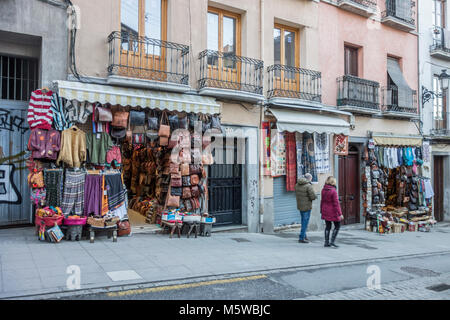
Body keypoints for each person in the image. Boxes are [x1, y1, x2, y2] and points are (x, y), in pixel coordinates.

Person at [320, 176, 344, 248]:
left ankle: (326, 242)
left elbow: (322, 201)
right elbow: (336, 203)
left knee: (328, 226)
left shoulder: (323, 190)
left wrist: (321, 210)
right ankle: (332, 242)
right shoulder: (333, 191)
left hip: (325, 210)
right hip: (333, 211)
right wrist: (340, 214)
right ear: (333, 182)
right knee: (337, 226)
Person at [295, 173, 317, 243]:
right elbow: (313, 197)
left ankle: (304, 235)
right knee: (305, 222)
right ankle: (301, 238)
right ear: (309, 178)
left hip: (300, 205)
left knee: (303, 221)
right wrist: (315, 196)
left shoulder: (297, 184)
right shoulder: (308, 186)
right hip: (307, 206)